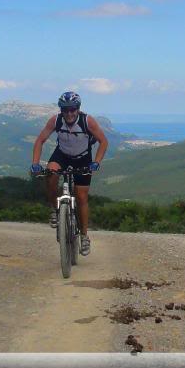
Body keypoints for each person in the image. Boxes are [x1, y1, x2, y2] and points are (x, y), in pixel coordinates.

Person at [30, 91, 108, 256]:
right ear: (61, 110)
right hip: (62, 155)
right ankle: (54, 209)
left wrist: (96, 162)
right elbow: (40, 140)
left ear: (78, 109)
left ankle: (84, 236)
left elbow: (103, 141)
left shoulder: (87, 121)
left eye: (72, 109)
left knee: (81, 197)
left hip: (83, 158)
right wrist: (35, 163)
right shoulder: (56, 120)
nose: (69, 113)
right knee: (50, 175)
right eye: (65, 110)